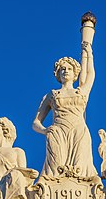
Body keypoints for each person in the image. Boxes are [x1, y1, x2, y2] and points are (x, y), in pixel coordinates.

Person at [32, 42, 97, 177]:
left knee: (80, 170)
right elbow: (35, 123)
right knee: (56, 170)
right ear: (58, 74)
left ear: (75, 74)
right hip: (58, 132)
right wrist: (45, 130)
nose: (66, 71)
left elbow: (91, 74)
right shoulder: (52, 95)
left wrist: (88, 53)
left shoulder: (81, 92)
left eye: (69, 69)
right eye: (62, 69)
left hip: (79, 131)